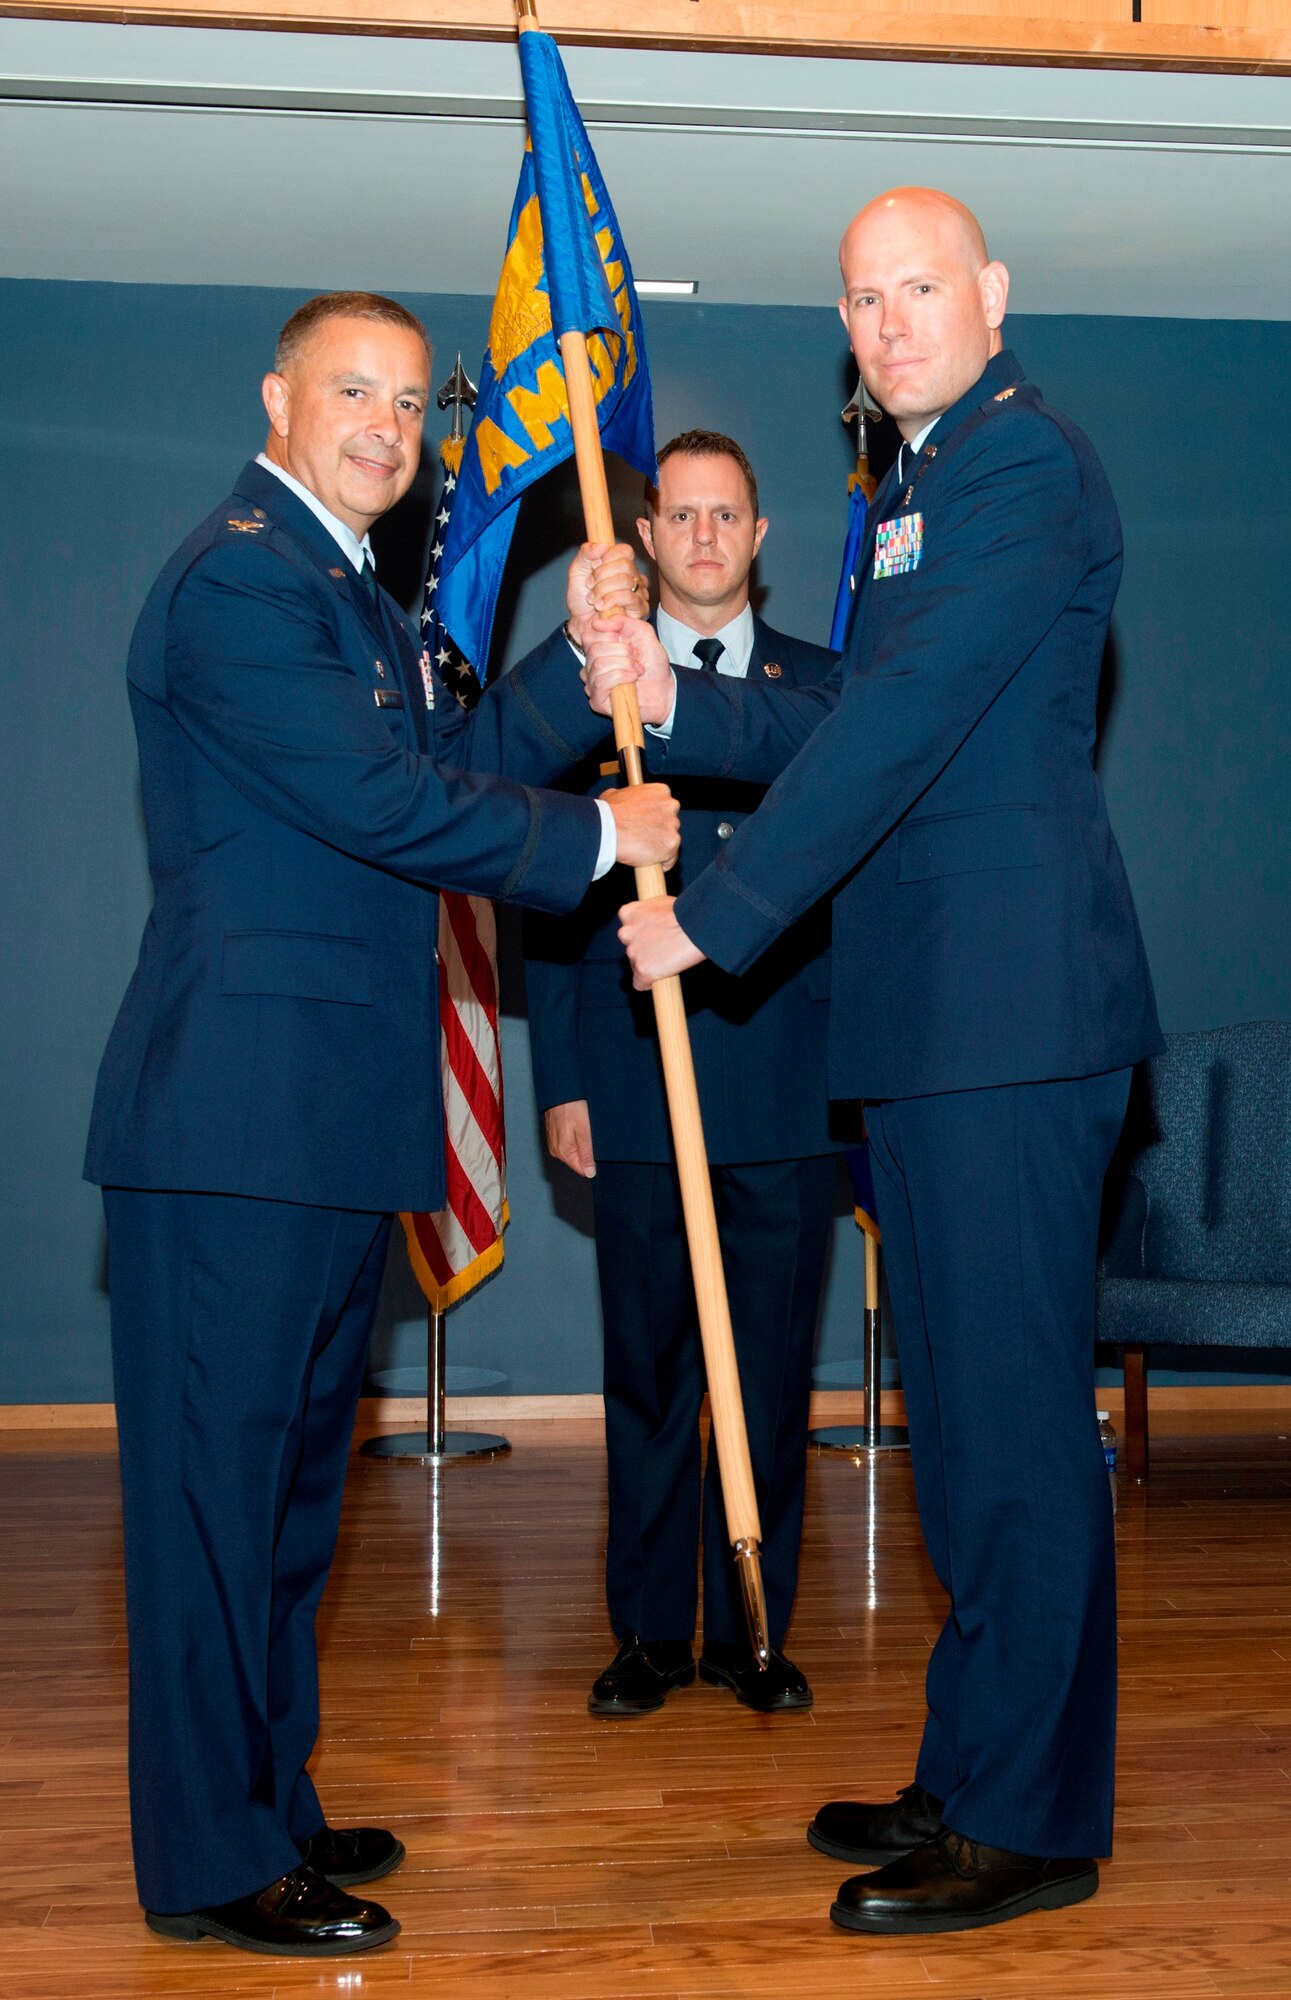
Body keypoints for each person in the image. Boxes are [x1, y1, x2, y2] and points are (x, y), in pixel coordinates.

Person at [584, 188, 1161, 1935]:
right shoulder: (908, 494)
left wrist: (720, 908)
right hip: (928, 1033)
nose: (889, 318)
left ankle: (1033, 1820)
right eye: (862, 297)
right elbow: (849, 706)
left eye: (920, 286)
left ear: (991, 294)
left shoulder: (1017, 466)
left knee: (1006, 1436)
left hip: (1008, 1023)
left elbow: (905, 728)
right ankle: (972, 1763)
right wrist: (673, 703)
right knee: (962, 1426)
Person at [84, 290, 679, 1958]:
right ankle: (210, 1863)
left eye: (411, 404)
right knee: (218, 1507)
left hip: (327, 1122)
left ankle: (265, 1799)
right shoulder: (239, 583)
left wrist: (581, 653)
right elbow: (379, 802)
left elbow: (458, 749)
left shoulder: (351, 598)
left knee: (281, 1507)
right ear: (277, 399)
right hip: (232, 1127)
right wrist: (594, 839)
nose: (386, 427)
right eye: (353, 391)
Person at [525, 432, 841, 1719]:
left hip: (780, 1075)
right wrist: (560, 1076)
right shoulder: (585, 690)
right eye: (681, 517)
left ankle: (755, 1626)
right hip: (635, 1078)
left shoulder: (830, 690)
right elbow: (545, 892)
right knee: (649, 1370)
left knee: (764, 1369)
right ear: (644, 539)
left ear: (760, 536)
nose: (704, 537)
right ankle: (653, 1631)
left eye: (728, 515)